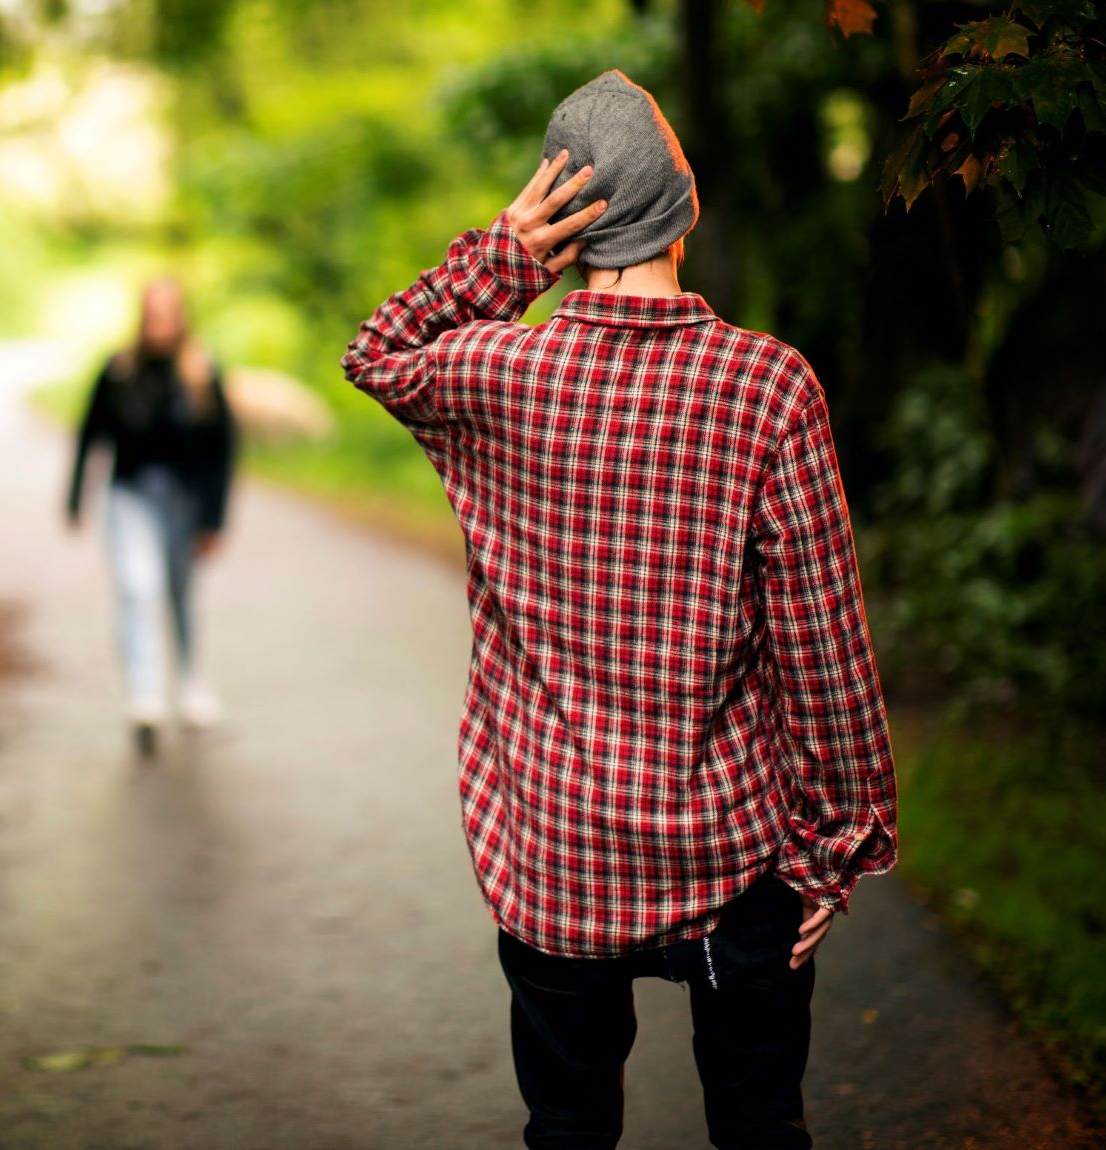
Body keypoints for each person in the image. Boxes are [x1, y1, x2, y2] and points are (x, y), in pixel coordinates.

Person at [340, 71, 897, 1149]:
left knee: (567, 1128)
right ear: (681, 212)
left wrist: (500, 256)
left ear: (565, 224)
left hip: (552, 858)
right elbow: (821, 646)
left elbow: (376, 354)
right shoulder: (765, 387)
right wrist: (835, 841)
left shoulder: (497, 371)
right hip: (732, 864)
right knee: (756, 1128)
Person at [67, 279, 237, 756]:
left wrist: (214, 520)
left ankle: (190, 682)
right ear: (141, 317)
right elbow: (90, 433)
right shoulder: (119, 370)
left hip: (185, 503)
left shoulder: (202, 371)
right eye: (152, 312)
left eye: (169, 312)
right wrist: (77, 497)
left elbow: (223, 450)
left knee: (180, 593)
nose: (160, 321)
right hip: (130, 497)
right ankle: (144, 698)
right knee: (137, 588)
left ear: (182, 316)